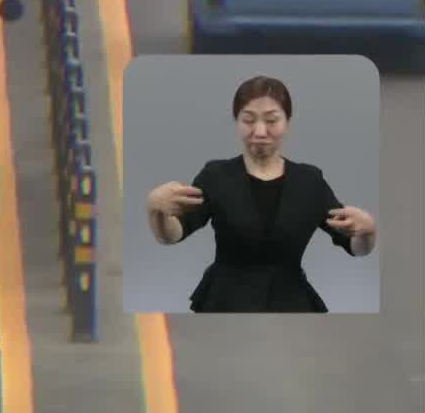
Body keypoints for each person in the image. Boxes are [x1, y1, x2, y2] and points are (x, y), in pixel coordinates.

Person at [145, 74, 377, 313]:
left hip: (291, 302)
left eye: (271, 121)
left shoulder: (310, 182)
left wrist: (368, 231)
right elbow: (172, 235)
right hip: (224, 302)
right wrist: (156, 210)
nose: (260, 131)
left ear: (287, 122)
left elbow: (355, 246)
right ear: (236, 122)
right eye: (248, 120)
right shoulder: (215, 176)